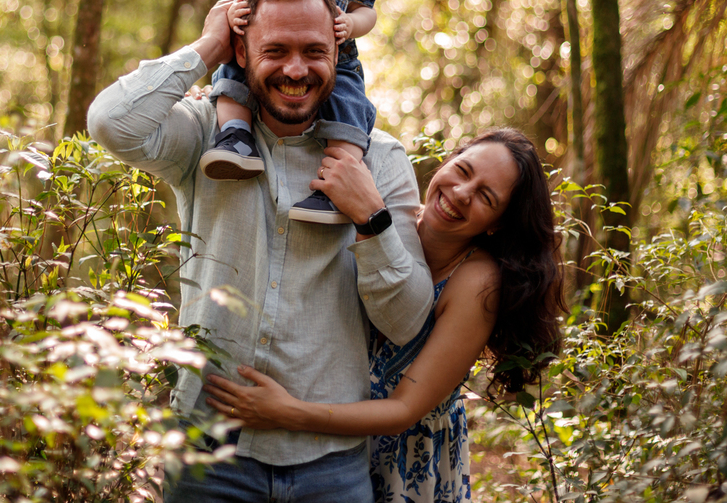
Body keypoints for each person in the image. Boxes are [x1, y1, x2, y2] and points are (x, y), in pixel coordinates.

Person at [87, 0, 434, 503]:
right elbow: (111, 121)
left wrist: (372, 218)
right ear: (243, 53)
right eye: (276, 50)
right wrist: (208, 45)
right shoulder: (204, 134)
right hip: (208, 455)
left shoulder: (379, 158)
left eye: (314, 51)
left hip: (332, 466)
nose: (297, 70)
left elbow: (408, 320)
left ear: (338, 54)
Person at [203, 128, 565, 502]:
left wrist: (288, 412)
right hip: (326, 448)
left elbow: (403, 409)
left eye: (485, 197)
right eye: (463, 170)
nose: (460, 193)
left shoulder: (477, 282)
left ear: (498, 223)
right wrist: (227, 116)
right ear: (447, 162)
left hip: (404, 461)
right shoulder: (383, 211)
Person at [199, 0, 379, 225]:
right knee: (231, 73)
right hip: (262, 64)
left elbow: (369, 10)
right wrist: (234, 16)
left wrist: (352, 25)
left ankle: (336, 183)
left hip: (335, 65)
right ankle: (236, 137)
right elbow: (238, 16)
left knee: (347, 106)